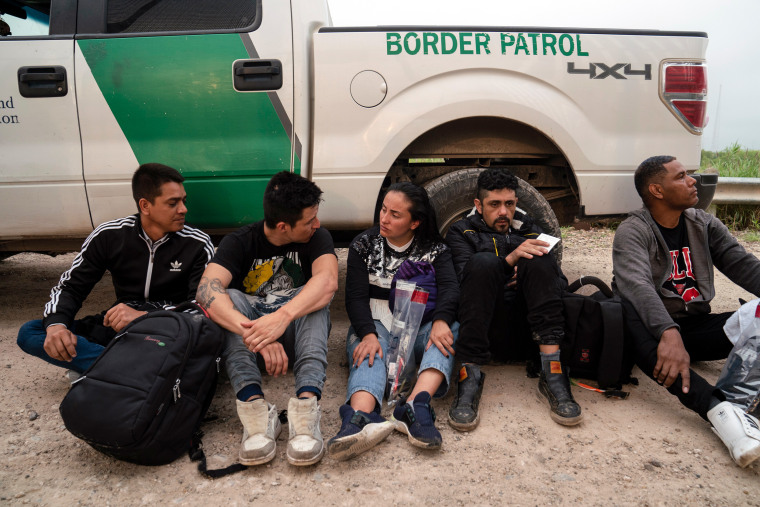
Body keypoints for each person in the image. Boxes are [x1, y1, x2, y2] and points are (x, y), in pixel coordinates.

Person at [612, 155, 760, 468]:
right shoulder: (633, 231)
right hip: (648, 333)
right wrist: (668, 333)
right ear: (656, 190)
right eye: (681, 176)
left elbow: (744, 266)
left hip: (693, 328)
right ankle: (720, 412)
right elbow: (637, 287)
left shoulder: (703, 223)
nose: (693, 181)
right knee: (624, 308)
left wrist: (678, 336)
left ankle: (746, 401)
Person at [196, 171, 338, 467]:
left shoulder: (318, 237)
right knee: (229, 297)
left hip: (297, 337)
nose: (317, 224)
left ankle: (306, 408)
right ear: (284, 226)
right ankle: (256, 412)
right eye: (309, 220)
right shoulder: (240, 241)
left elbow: (327, 283)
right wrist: (256, 334)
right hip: (250, 345)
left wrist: (283, 317)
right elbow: (205, 290)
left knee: (315, 298)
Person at [17, 163, 214, 375]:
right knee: (32, 332)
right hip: (119, 327)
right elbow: (71, 287)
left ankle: (105, 368)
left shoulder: (198, 244)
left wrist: (144, 316)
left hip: (166, 330)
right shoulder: (109, 236)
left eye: (184, 201)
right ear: (145, 205)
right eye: (173, 203)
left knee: (203, 340)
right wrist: (57, 325)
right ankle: (134, 370)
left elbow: (201, 308)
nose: (183, 209)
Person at [327, 182, 459, 461]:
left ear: (415, 222)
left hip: (421, 324)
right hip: (375, 321)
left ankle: (415, 406)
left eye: (395, 214)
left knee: (449, 333)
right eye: (383, 210)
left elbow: (450, 290)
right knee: (371, 351)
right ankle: (360, 417)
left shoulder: (436, 249)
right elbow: (355, 298)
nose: (384, 219)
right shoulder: (363, 244)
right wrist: (367, 334)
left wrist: (441, 320)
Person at [446, 168, 581, 430]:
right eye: (494, 205)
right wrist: (509, 262)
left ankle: (552, 373)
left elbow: (558, 285)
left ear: (516, 202)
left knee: (538, 258)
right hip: (484, 331)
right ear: (478, 204)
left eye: (509, 204)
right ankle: (469, 376)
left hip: (529, 332)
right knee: (482, 263)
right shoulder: (461, 232)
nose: (503, 212)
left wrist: (534, 273)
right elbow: (465, 286)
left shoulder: (532, 230)